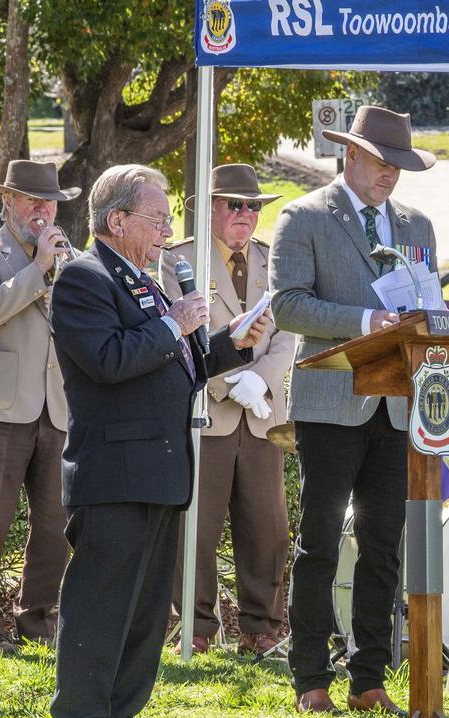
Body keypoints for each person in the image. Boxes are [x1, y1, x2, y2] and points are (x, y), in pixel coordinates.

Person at [48, 164, 267, 718]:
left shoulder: (147, 280)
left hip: (162, 469)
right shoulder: (85, 279)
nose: (169, 229)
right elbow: (109, 361)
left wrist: (232, 344)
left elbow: (182, 366)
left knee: (145, 612)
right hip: (114, 472)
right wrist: (177, 322)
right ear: (117, 221)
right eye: (159, 218)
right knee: (101, 605)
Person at [270, 105, 437, 716]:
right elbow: (287, 306)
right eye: (382, 162)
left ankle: (369, 678)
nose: (391, 174)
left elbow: (428, 302)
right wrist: (366, 322)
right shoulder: (304, 217)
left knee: (384, 544)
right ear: (350, 155)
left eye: (400, 165)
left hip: (397, 405)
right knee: (318, 543)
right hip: (331, 403)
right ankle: (310, 678)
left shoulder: (417, 224)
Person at [163, 164, 294, 656]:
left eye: (254, 206)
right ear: (209, 209)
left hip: (262, 413)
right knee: (196, 527)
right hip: (206, 411)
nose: (246, 214)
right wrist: (225, 383)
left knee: (268, 527)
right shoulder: (179, 262)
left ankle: (261, 629)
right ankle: (196, 627)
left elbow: (288, 330)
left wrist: (258, 379)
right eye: (234, 204)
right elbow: (178, 332)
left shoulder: (273, 261)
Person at [0, 159, 78, 655]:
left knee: (55, 523)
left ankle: (37, 618)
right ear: (8, 202)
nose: (42, 210)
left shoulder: (70, 255)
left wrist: (62, 269)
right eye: (31, 200)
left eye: (48, 202)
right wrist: (38, 269)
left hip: (59, 408)